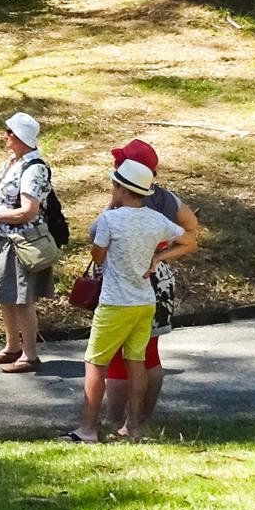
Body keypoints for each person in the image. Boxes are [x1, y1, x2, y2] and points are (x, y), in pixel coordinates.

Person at [70, 158, 186, 444]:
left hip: (114, 302)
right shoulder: (156, 220)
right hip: (145, 301)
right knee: (137, 361)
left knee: (95, 362)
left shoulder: (110, 219)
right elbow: (189, 241)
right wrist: (158, 257)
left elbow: (97, 256)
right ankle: (133, 426)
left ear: (120, 188)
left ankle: (87, 428)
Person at [98, 138, 201, 434]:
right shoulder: (167, 199)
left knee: (118, 354)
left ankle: (113, 418)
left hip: (127, 279)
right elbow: (192, 231)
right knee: (149, 352)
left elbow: (101, 234)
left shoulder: (124, 199)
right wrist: (160, 254)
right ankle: (142, 417)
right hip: (159, 278)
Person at [0, 110, 58, 374]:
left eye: (10, 132)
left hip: (21, 242)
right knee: (6, 295)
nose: (6, 136)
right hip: (3, 238)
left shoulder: (34, 168)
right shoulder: (12, 162)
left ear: (21, 136)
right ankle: (12, 347)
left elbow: (28, 211)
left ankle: (30, 355)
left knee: (22, 299)